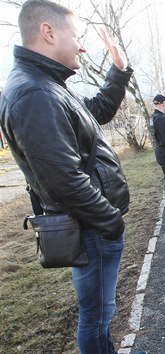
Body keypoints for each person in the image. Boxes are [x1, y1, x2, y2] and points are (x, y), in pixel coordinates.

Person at [0, 0, 133, 352]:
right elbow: (63, 181)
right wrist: (110, 221)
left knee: (101, 311)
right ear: (48, 32)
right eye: (75, 35)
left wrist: (118, 72)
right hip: (91, 227)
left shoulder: (46, 85)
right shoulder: (35, 93)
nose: (81, 45)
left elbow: (96, 113)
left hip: (93, 225)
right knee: (96, 314)